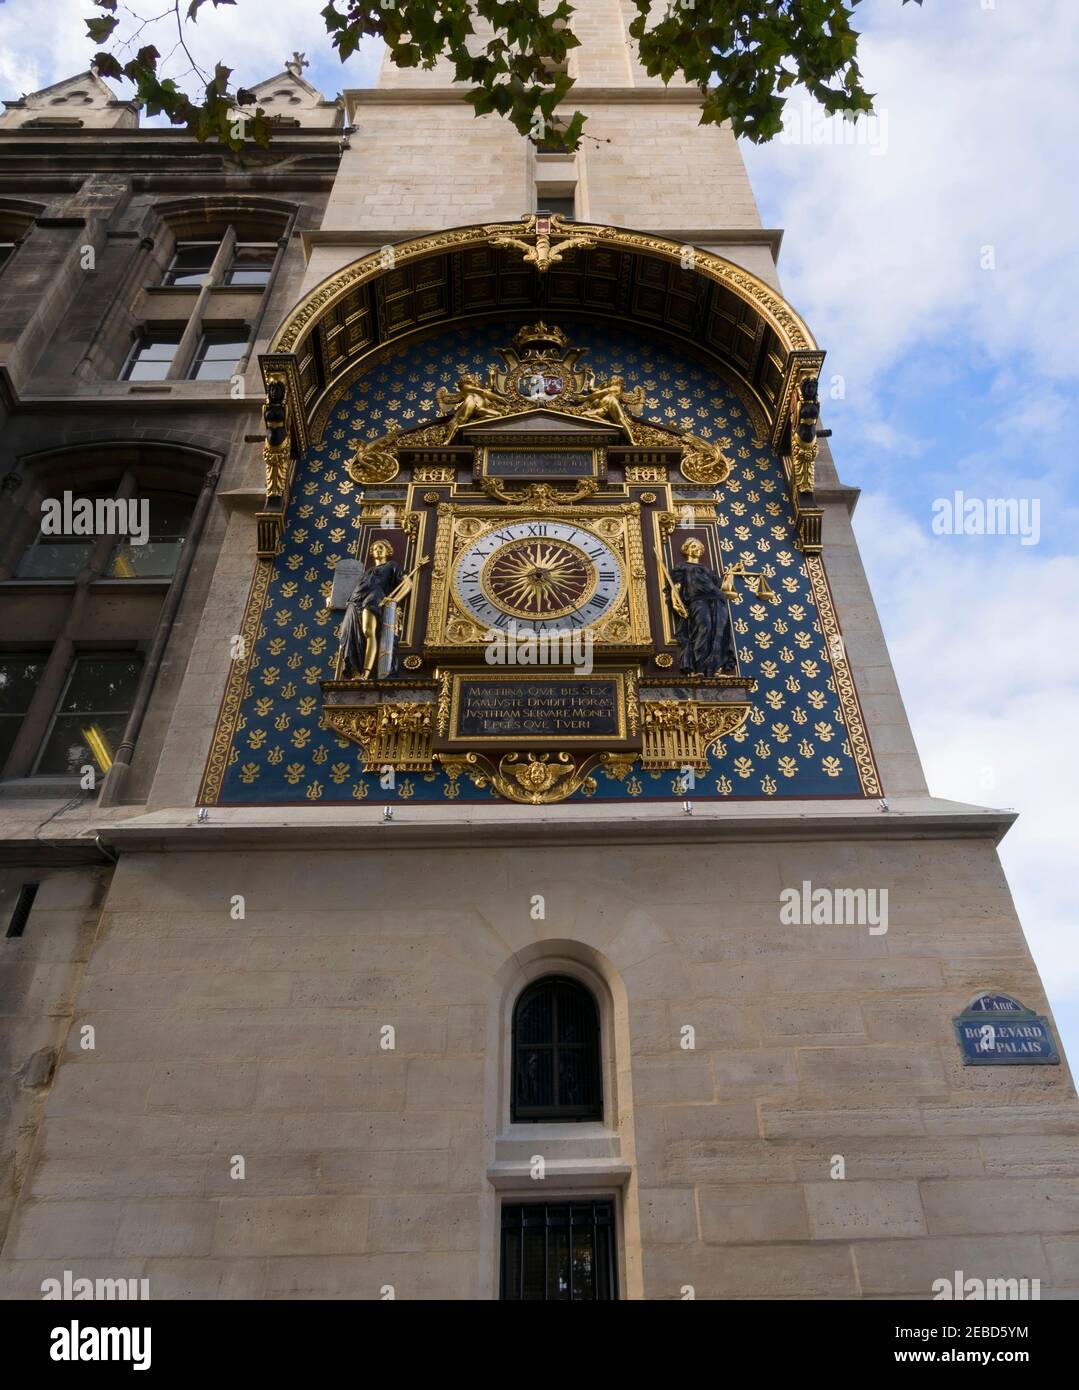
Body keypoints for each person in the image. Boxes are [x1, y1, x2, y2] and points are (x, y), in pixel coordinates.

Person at [666, 538, 737, 676]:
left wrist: (731, 574)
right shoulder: (682, 567)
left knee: (719, 633)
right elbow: (676, 587)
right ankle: (700, 668)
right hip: (698, 601)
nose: (697, 548)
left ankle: (715, 669)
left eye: (699, 546)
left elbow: (723, 588)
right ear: (687, 549)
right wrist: (675, 602)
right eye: (693, 546)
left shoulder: (707, 570)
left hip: (718, 601)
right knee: (704, 629)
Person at [336, 540, 403, 680]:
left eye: (381, 548)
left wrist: (395, 599)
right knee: (347, 635)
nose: (378, 550)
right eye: (375, 548)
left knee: (368, 631)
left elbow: (408, 583)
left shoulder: (391, 566)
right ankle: (354, 671)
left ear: (388, 551)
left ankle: (366, 673)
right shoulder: (368, 571)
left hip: (373, 597)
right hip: (354, 602)